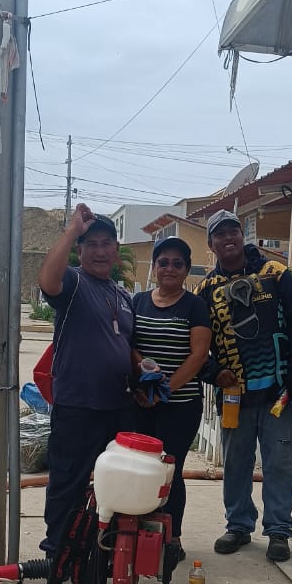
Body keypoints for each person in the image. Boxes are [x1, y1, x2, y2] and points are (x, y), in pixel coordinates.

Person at [196, 209, 292, 563]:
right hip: (234, 396)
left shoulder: (276, 274)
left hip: (278, 392)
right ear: (211, 244)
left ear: (242, 236)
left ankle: (279, 531)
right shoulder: (205, 290)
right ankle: (238, 525)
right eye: (220, 234)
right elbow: (194, 342)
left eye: (233, 231)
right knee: (235, 463)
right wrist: (214, 372)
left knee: (279, 463)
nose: (228, 238)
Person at [37, 204, 134, 557]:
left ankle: (98, 552)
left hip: (117, 407)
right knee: (68, 482)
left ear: (116, 249)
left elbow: (126, 345)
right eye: (91, 244)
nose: (99, 250)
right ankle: (58, 554)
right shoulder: (75, 282)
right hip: (78, 405)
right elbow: (48, 281)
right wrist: (71, 230)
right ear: (80, 251)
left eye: (106, 243)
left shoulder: (122, 296)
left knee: (112, 485)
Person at [131, 237, 212, 559]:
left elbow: (198, 355)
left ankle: (172, 537)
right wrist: (144, 376)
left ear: (186, 270)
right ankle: (138, 532)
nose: (169, 268)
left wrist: (164, 390)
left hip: (181, 405)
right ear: (154, 267)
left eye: (177, 264)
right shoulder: (138, 302)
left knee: (169, 469)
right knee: (139, 469)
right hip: (140, 401)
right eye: (163, 262)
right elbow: (127, 344)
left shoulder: (194, 306)